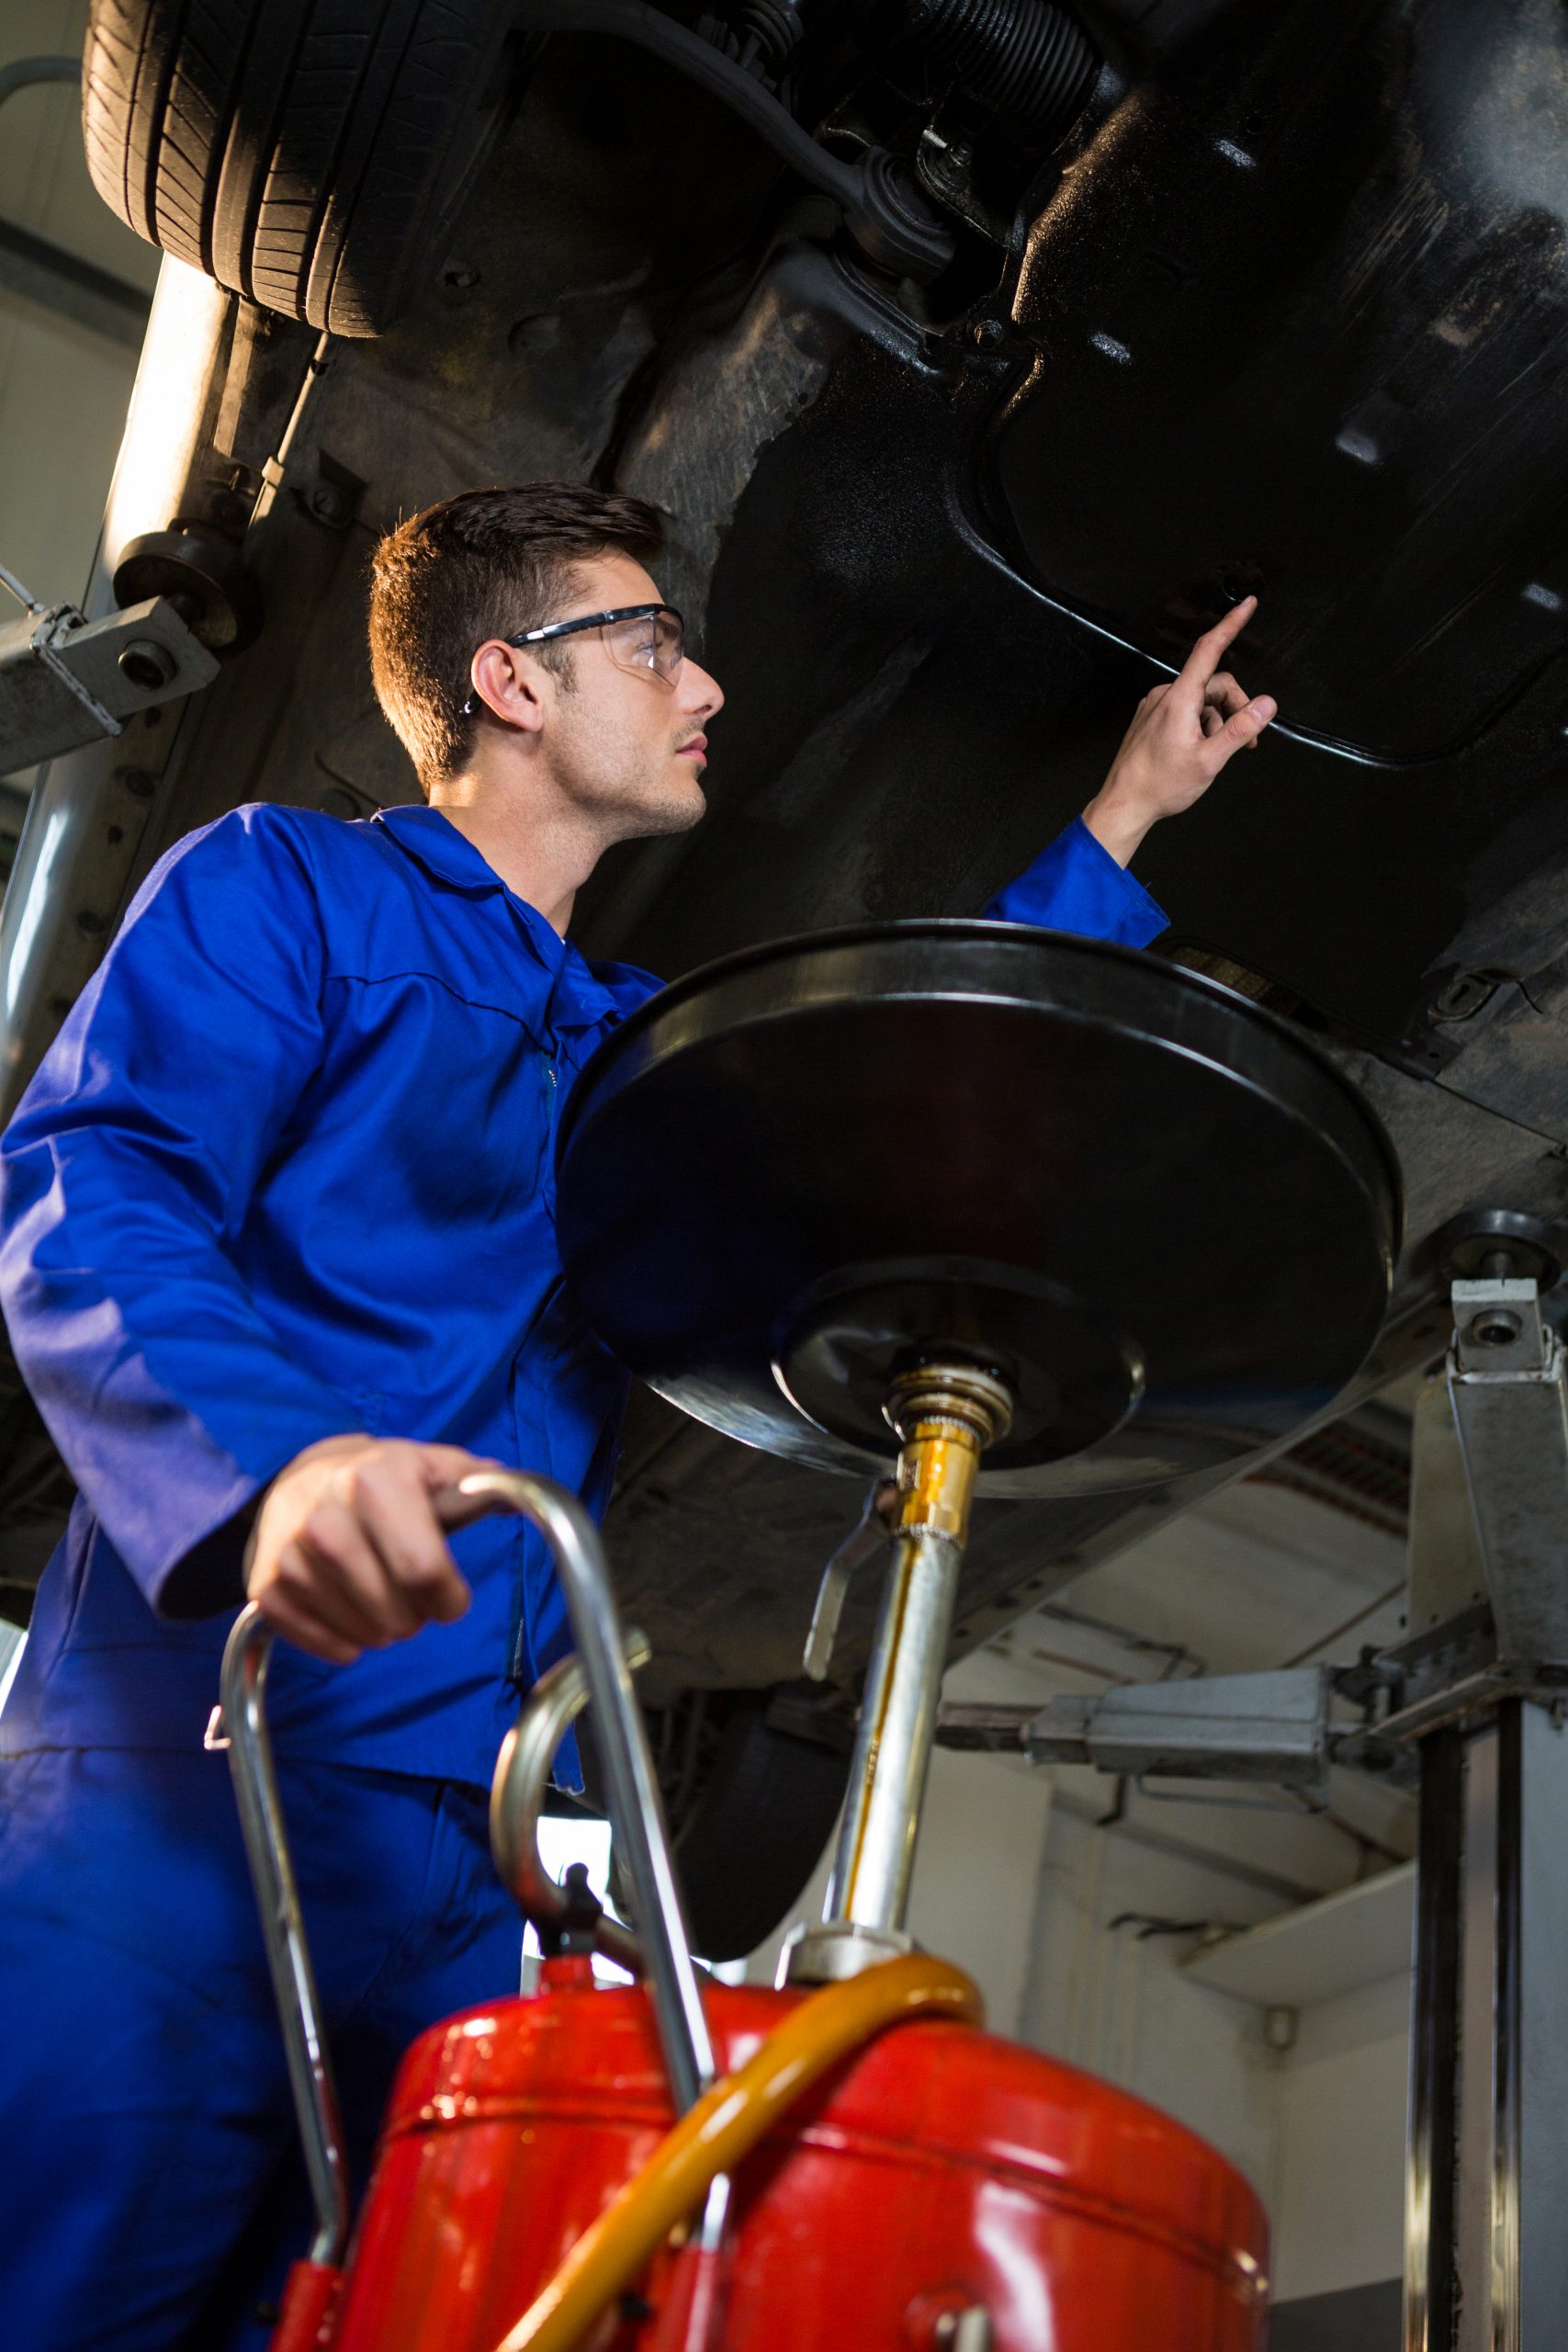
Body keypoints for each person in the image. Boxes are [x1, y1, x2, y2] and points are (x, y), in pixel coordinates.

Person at [0, 481, 1274, 2349]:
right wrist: (281, 1467)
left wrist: (1123, 812)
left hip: (466, 1876)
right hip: (188, 1787)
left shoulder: (624, 1045)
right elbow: (90, 1184)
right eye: (653, 639)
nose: (708, 682)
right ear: (508, 681)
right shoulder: (286, 885)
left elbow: (895, 1082)